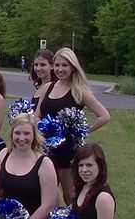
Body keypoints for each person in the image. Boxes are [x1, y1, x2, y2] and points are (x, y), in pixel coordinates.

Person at [34, 48, 110, 205]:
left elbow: (104, 116)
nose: (60, 69)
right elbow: (38, 115)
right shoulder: (48, 87)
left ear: (73, 67)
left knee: (70, 193)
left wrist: (81, 131)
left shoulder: (79, 90)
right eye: (57, 65)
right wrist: (39, 133)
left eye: (65, 65)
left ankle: (76, 217)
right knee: (44, 190)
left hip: (67, 152)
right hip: (45, 149)